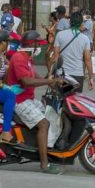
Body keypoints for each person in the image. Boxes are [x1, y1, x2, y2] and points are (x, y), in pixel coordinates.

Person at [7, 30, 65, 174]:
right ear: (30, 44)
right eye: (37, 44)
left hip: (29, 99)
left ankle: (45, 149)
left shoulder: (28, 58)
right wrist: (49, 81)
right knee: (44, 124)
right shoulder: (19, 58)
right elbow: (27, 81)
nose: (39, 46)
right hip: (20, 100)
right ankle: (44, 164)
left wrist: (51, 81)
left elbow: (36, 76)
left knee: (51, 115)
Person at [52, 11, 93, 92]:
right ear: (81, 23)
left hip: (62, 75)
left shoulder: (60, 35)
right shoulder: (85, 39)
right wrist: (91, 78)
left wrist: (52, 73)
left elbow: (55, 56)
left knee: (62, 99)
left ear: (70, 22)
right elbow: (87, 60)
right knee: (74, 100)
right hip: (77, 75)